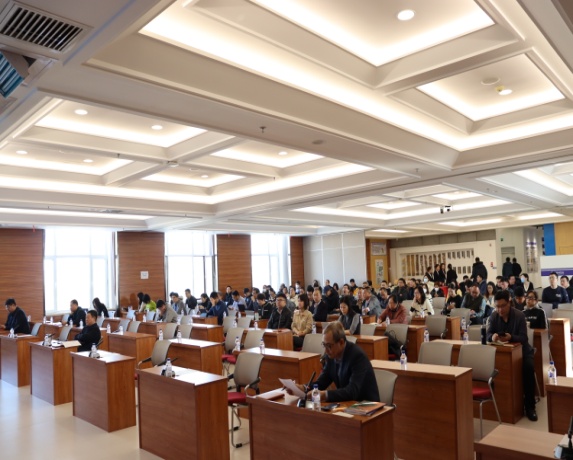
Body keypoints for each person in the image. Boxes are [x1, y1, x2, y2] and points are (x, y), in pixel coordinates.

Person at [291, 322, 379, 403]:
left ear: (341, 342)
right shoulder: (330, 356)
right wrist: (303, 388)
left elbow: (352, 391)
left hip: (367, 405)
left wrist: (325, 395)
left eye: (329, 346)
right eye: (324, 345)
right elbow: (322, 382)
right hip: (347, 404)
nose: (326, 350)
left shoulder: (357, 356)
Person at [487, 290, 537, 421]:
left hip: (522, 352)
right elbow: (488, 334)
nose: (500, 309)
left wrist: (511, 337)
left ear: (509, 303)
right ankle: (501, 405)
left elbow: (524, 338)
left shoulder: (519, 315)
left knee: (528, 368)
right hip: (503, 353)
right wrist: (492, 336)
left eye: (503, 306)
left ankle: (530, 406)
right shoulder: (493, 316)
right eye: (497, 306)